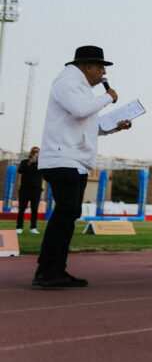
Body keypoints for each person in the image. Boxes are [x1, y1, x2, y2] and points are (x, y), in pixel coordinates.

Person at [34, 46, 132, 288]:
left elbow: (89, 124)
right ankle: (46, 270)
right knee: (66, 211)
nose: (102, 73)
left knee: (69, 214)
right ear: (88, 66)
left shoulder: (82, 89)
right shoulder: (67, 81)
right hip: (62, 158)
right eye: (101, 67)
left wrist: (115, 126)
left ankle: (56, 269)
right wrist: (109, 96)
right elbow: (80, 111)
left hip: (74, 160)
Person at [16, 147, 42, 234]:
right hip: (24, 189)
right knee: (22, 209)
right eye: (33, 151)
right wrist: (30, 162)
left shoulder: (42, 163)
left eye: (37, 152)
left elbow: (43, 173)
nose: (35, 153)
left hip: (36, 189)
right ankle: (19, 227)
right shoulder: (24, 162)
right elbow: (20, 170)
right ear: (30, 152)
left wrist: (36, 162)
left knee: (35, 209)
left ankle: (33, 227)